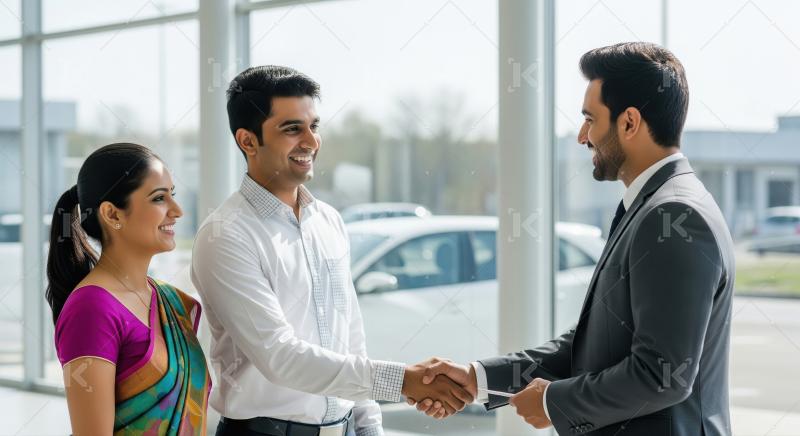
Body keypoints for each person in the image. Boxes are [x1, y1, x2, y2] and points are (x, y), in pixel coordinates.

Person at [411, 42, 736, 435]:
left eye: (589, 119)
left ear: (629, 123)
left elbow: (661, 375)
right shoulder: (654, 207)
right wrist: (477, 377)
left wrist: (553, 402)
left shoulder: (672, 214)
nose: (583, 136)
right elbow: (592, 349)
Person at [190, 66, 472, 436]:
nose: (311, 141)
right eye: (292, 129)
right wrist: (404, 381)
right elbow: (279, 355)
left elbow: (351, 338)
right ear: (248, 141)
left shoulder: (329, 221)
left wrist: (369, 428)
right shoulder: (225, 235)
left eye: (314, 126)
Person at [46, 143, 211, 435]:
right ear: (112, 214)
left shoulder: (169, 299)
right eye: (159, 198)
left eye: (172, 195)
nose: (177, 211)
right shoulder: (91, 310)